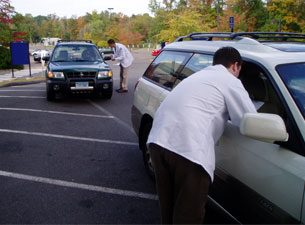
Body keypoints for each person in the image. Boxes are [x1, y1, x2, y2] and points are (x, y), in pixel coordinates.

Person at [147, 47, 257, 224]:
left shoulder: (199, 75)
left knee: (169, 207)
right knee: (188, 215)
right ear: (236, 65)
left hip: (157, 141)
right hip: (187, 150)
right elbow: (250, 118)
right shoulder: (229, 80)